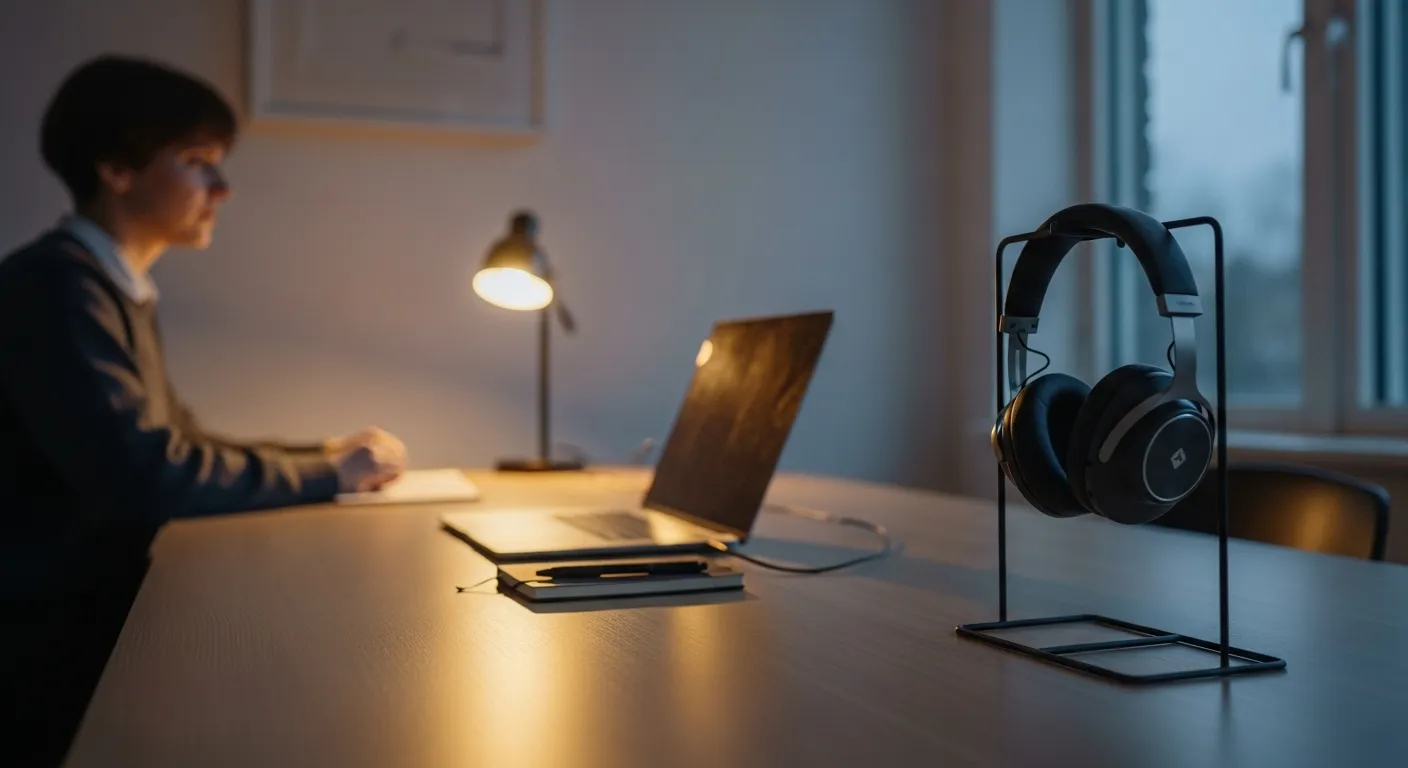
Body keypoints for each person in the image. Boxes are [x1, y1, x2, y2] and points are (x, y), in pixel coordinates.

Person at [0, 54, 407, 764]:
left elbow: (177, 440)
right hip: (46, 639)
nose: (222, 187)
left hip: (82, 611)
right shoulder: (60, 288)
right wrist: (327, 475)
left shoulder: (105, 284)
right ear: (115, 169)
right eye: (196, 161)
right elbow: (142, 471)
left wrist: (320, 456)